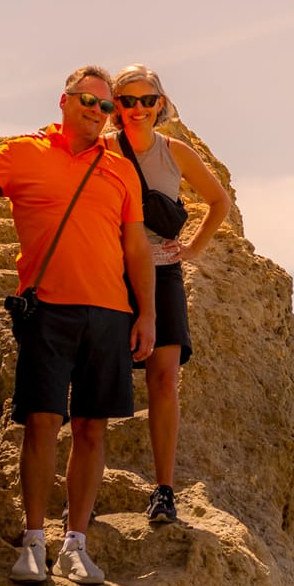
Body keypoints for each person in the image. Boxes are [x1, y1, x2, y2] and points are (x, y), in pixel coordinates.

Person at [0, 66, 154, 586]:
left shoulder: (121, 171)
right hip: (48, 308)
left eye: (107, 108)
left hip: (112, 315)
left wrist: (148, 313)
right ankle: (32, 541)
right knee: (43, 423)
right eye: (89, 103)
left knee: (93, 430)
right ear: (65, 101)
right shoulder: (25, 153)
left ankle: (76, 543)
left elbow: (136, 246)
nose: (100, 114)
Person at [103, 64, 229, 525]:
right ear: (116, 106)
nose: (137, 109)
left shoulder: (175, 152)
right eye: (127, 100)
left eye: (146, 100)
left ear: (160, 104)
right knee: (97, 379)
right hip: (109, 275)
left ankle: (163, 491)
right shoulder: (101, 150)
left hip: (163, 274)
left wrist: (192, 247)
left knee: (163, 382)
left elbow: (219, 202)